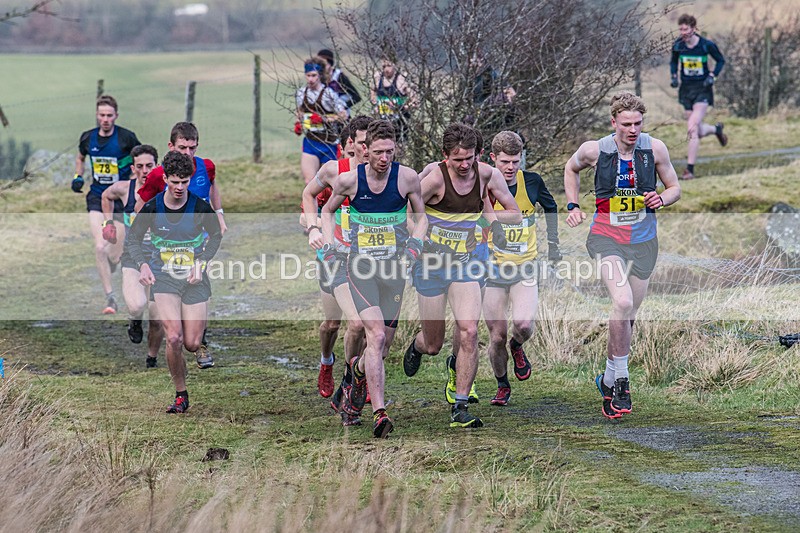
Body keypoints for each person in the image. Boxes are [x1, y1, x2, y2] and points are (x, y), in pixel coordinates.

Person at [564, 91, 680, 419]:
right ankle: (623, 381)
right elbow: (570, 170)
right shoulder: (594, 150)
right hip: (606, 239)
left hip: (644, 241)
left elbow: (674, 187)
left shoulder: (654, 148)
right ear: (613, 122)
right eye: (626, 124)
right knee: (623, 302)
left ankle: (608, 376)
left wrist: (663, 199)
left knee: (628, 317)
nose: (632, 129)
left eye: (638, 123)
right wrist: (573, 205)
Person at [404, 123, 521, 429]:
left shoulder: (487, 175)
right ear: (445, 157)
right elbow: (407, 214)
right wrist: (424, 242)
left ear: (478, 154)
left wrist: (490, 218)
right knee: (433, 343)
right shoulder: (433, 179)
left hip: (465, 263)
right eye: (458, 159)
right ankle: (417, 347)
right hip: (432, 264)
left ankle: (460, 406)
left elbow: (515, 212)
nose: (465, 164)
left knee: (468, 331)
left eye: (470, 157)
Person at [321, 120, 427, 438]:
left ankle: (355, 372)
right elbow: (326, 211)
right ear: (366, 151)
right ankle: (379, 413)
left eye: (390, 152)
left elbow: (421, 218)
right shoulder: (350, 181)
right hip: (362, 269)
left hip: (394, 273)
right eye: (379, 152)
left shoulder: (407, 178)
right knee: (376, 336)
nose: (385, 158)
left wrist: (415, 246)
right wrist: (328, 244)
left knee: (380, 350)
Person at [127, 151, 223, 414]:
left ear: (190, 179)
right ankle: (181, 394)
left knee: (191, 343)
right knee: (174, 337)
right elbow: (133, 239)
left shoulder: (201, 208)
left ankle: (199, 344)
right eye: (174, 182)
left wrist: (201, 261)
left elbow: (215, 237)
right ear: (165, 179)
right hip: (165, 279)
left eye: (185, 182)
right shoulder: (153, 207)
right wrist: (143, 264)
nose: (180, 188)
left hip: (194, 281)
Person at [136, 122, 226, 369]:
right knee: (169, 324)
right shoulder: (158, 174)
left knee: (196, 286)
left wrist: (219, 213)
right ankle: (173, 337)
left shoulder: (206, 166)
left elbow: (212, 188)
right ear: (171, 146)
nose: (187, 153)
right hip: (165, 241)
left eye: (192, 148)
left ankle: (199, 340)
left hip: (199, 237)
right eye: (182, 147)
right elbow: (140, 204)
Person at [481, 131, 561, 406]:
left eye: (515, 161)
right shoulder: (483, 185)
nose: (510, 167)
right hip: (492, 270)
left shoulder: (533, 182)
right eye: (504, 161)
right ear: (493, 159)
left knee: (523, 325)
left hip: (525, 266)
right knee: (496, 335)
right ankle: (502, 385)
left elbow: (551, 207)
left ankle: (518, 346)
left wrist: (554, 246)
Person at [302, 116, 372, 411]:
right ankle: (326, 361)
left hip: (366, 260)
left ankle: (356, 380)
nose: (369, 149)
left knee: (364, 324)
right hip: (332, 257)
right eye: (364, 143)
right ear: (350, 145)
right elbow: (308, 195)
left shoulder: (382, 175)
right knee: (333, 324)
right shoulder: (334, 170)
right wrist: (313, 228)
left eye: (373, 143)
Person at [72, 95, 141, 314]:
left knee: (114, 255)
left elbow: (142, 161)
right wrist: (78, 176)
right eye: (101, 115)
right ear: (96, 115)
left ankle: (111, 264)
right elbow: (80, 158)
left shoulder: (126, 138)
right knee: (101, 246)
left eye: (109, 115)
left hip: (119, 201)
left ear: (116, 116)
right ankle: (110, 298)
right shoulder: (87, 138)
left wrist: (135, 180)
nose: (105, 119)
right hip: (96, 197)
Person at [101, 144, 164, 367]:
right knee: (137, 306)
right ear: (133, 167)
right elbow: (105, 196)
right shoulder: (124, 188)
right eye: (140, 166)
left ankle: (151, 358)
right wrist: (107, 222)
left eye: (150, 165)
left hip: (160, 258)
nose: (145, 170)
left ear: (157, 166)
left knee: (157, 317)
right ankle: (134, 322)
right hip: (133, 256)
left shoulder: (166, 189)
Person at [670, 13, 728, 180]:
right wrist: (674, 76)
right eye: (680, 29)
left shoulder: (705, 45)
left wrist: (713, 75)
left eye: (686, 29)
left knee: (692, 128)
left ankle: (690, 170)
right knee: (698, 130)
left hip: (703, 89)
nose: (683, 32)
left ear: (694, 29)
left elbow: (720, 60)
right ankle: (716, 129)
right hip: (686, 90)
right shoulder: (678, 45)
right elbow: (673, 62)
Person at [295, 57, 348, 184]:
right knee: (310, 181)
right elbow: (300, 112)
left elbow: (343, 115)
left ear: (320, 75)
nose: (311, 79)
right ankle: (313, 204)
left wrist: (324, 119)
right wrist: (298, 123)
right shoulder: (301, 93)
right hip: (311, 141)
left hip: (328, 142)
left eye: (313, 75)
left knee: (327, 183)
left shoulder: (329, 94)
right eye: (308, 76)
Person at [370, 57, 415, 145]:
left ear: (395, 65)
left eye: (389, 66)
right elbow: (372, 94)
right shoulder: (378, 78)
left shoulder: (401, 80)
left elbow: (415, 100)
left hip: (399, 122)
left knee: (398, 148)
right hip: (381, 121)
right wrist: (376, 105)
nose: (386, 69)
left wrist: (401, 107)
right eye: (383, 66)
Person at [317, 49, 362, 114]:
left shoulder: (339, 77)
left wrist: (344, 106)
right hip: (324, 115)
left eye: (324, 64)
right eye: (319, 65)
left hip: (341, 115)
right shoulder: (317, 78)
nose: (322, 67)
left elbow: (356, 97)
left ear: (330, 64)